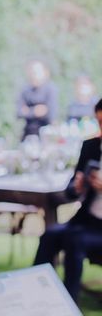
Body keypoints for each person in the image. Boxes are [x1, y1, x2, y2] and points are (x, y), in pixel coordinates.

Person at [34, 98, 102, 303]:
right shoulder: (91, 146)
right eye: (100, 122)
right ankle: (36, 296)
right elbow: (70, 190)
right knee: (49, 235)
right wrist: (78, 187)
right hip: (85, 221)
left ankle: (67, 303)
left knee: (74, 241)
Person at [16, 59, 58, 141]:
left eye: (36, 72)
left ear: (45, 73)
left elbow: (51, 114)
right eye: (31, 72)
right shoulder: (25, 90)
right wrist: (35, 111)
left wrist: (28, 111)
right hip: (28, 133)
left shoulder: (50, 89)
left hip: (46, 134)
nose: (33, 75)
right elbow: (19, 112)